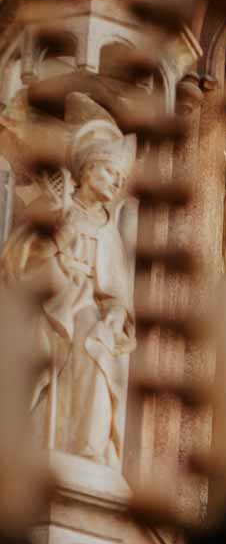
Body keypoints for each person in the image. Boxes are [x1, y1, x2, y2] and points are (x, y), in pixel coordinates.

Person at [1, 100, 135, 467]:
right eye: (110, 173)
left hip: (87, 313)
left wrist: (114, 316)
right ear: (89, 169)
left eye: (121, 179)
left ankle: (85, 449)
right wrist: (61, 237)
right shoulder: (56, 209)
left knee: (98, 347)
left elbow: (116, 294)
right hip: (47, 304)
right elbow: (17, 260)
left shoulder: (109, 232)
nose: (116, 182)